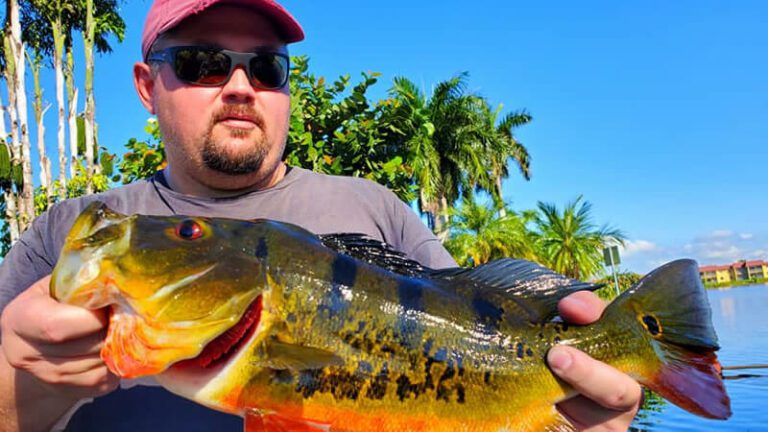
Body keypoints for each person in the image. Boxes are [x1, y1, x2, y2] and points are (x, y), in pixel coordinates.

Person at [0, 0, 642, 430]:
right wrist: (21, 378)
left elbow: (469, 361)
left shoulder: (378, 210)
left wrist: (572, 414)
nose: (240, 86)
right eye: (203, 63)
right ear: (146, 85)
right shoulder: (68, 233)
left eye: (266, 66)